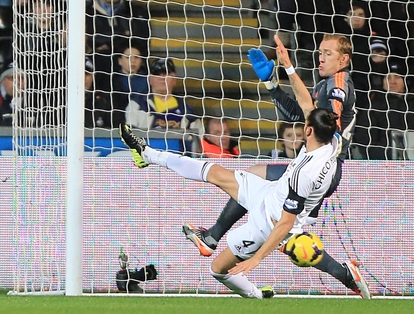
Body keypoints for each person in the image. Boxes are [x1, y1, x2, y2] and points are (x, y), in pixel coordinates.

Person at [182, 34, 368, 299]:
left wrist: (288, 69)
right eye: (320, 52)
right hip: (314, 164)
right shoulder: (324, 84)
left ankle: (211, 237)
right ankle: (346, 275)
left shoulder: (339, 83)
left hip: (322, 167)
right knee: (288, 235)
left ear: (343, 59)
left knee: (268, 205)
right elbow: (297, 114)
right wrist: (272, 83)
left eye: (328, 53)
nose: (321, 58)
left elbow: (325, 119)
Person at [119, 108, 370, 299]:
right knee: (215, 172)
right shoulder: (332, 143)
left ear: (308, 131)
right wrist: (289, 67)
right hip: (269, 193)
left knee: (218, 269)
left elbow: (285, 224)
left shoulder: (303, 174)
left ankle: (256, 294)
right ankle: (148, 155)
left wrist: (256, 259)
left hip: (268, 225)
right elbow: (309, 106)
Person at [125, 57, 197, 135]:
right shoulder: (136, 105)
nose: (162, 78)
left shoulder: (186, 110)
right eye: (157, 74)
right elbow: (130, 135)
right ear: (150, 79)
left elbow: (198, 137)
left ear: (174, 79)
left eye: (166, 74)